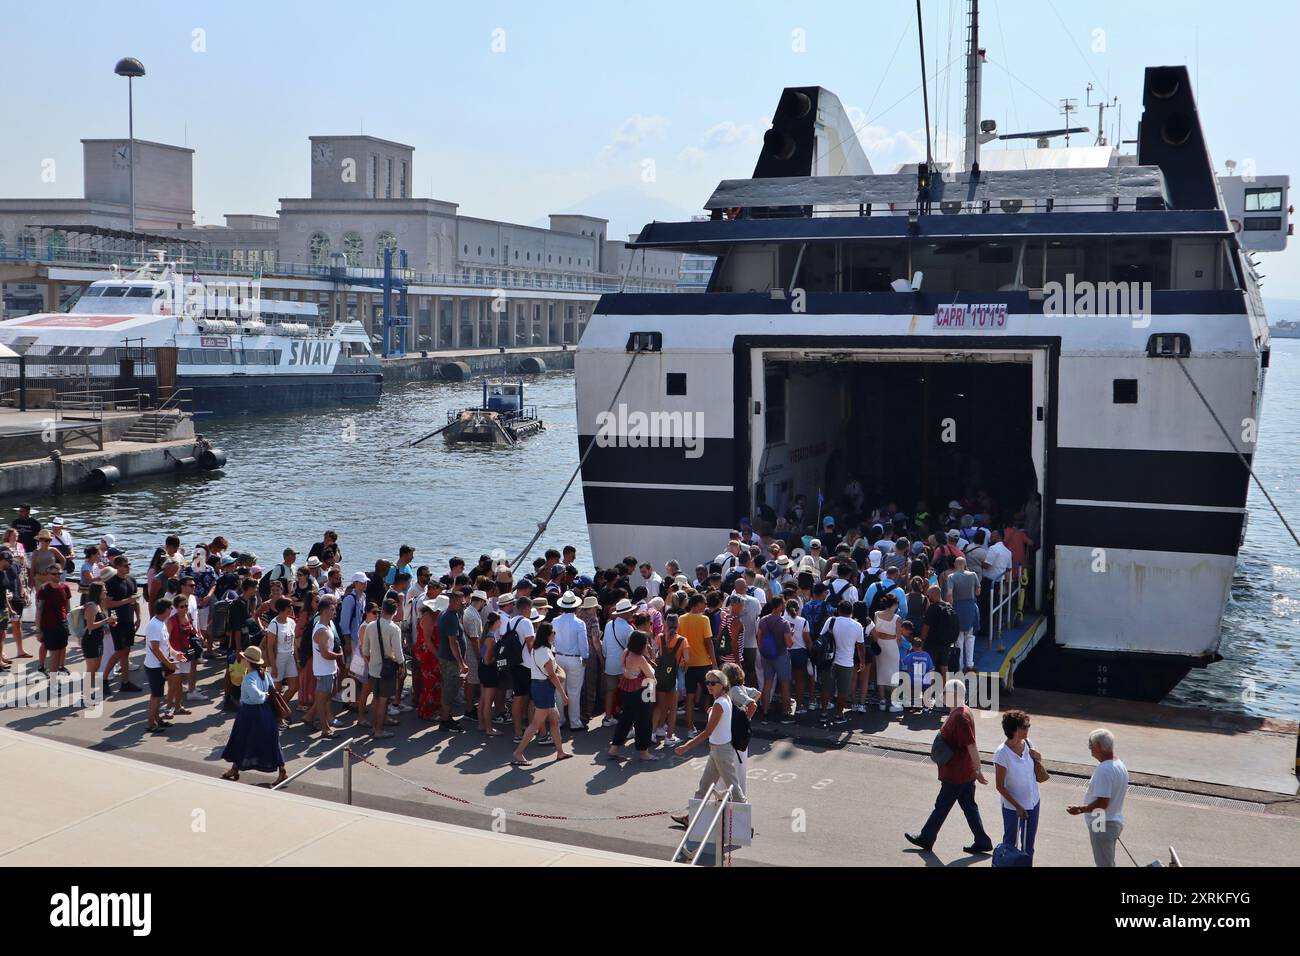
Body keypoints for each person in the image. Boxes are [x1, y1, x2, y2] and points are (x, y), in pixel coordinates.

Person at [905, 679, 994, 855]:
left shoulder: (961, 717)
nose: (942, 695)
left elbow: (971, 745)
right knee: (969, 806)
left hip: (957, 773)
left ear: (954, 695)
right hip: (963, 772)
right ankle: (983, 841)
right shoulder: (961, 711)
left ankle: (926, 837)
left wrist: (978, 770)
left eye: (945, 692)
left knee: (943, 805)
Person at [670, 669, 744, 826]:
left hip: (721, 752)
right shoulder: (724, 699)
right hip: (718, 751)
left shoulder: (719, 703)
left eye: (713, 683)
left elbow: (708, 732)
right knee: (704, 786)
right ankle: (691, 818)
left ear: (722, 684)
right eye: (707, 683)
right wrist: (712, 711)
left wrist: (686, 746)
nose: (709, 686)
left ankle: (745, 824)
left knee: (734, 789)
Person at [219, 645, 287, 785]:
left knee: (241, 740)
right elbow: (272, 689)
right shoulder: (264, 674)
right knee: (269, 741)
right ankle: (236, 768)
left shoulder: (249, 678)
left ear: (248, 662)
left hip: (250, 713)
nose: (242, 660)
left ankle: (235, 768)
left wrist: (264, 695)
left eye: (244, 658)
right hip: (265, 712)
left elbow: (257, 697)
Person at [510, 622, 572, 765]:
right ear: (548, 635)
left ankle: (560, 752)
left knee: (555, 720)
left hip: (541, 687)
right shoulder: (544, 651)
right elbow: (552, 675)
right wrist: (563, 694)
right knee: (536, 724)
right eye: (553, 632)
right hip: (543, 688)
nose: (555, 634)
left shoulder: (538, 649)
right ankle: (518, 753)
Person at [1068, 728, 1129, 867]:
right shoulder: (1119, 765)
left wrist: (1080, 809)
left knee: (1104, 864)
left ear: (1100, 746)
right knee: (1106, 861)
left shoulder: (1104, 770)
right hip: (1113, 819)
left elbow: (1102, 803)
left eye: (1091, 744)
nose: (1089, 747)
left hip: (1102, 821)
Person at [993, 709, 1042, 862]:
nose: (1028, 728)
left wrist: (1038, 756)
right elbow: (1000, 786)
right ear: (1015, 729)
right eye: (1025, 726)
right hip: (1012, 808)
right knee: (1010, 846)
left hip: (1033, 803)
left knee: (1029, 847)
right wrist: (1018, 806)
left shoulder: (1027, 743)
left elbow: (1036, 766)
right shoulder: (1002, 754)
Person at [606, 629, 659, 763]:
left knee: (626, 720)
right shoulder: (639, 658)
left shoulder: (626, 652)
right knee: (644, 721)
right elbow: (651, 677)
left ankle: (614, 749)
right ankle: (644, 752)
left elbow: (625, 670)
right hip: (642, 692)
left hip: (626, 690)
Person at [818, 601, 865, 725]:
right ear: (851, 611)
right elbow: (860, 646)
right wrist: (862, 662)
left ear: (838, 610)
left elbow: (822, 638)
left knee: (826, 688)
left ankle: (823, 713)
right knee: (843, 691)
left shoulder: (831, 621)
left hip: (829, 660)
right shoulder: (857, 626)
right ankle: (839, 714)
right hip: (847, 662)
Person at [103, 555, 143, 694]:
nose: (128, 567)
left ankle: (125, 682)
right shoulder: (111, 582)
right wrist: (127, 601)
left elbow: (135, 600)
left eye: (129, 564)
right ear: (117, 567)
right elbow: (107, 604)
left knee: (126, 651)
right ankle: (103, 678)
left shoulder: (131, 580)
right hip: (117, 621)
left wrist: (138, 617)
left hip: (129, 620)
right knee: (120, 651)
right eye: (125, 565)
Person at [365, 598, 403, 739]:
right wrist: (402, 666)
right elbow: (398, 653)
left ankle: (375, 727)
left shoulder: (370, 626)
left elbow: (365, 650)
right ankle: (379, 730)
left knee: (375, 699)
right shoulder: (394, 628)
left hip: (373, 668)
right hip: (387, 669)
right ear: (395, 611)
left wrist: (372, 661)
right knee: (383, 701)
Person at [551, 590, 589, 731]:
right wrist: (585, 657)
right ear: (575, 606)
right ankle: (575, 722)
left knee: (559, 691)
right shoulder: (579, 623)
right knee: (574, 692)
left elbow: (552, 641)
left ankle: (560, 720)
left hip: (559, 657)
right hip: (575, 660)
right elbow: (583, 644)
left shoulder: (555, 621)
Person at [308, 594, 343, 739]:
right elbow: (325, 654)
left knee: (326, 697)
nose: (335, 612)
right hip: (324, 670)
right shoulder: (322, 630)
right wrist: (338, 655)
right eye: (332, 610)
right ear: (325, 611)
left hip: (328, 669)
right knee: (322, 700)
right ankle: (325, 729)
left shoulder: (325, 626)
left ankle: (312, 718)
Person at [143, 598, 180, 734]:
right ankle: (150, 724)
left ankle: (157, 719)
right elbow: (156, 648)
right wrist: (168, 663)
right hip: (155, 667)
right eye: (170, 608)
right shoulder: (154, 626)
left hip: (159, 665)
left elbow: (166, 644)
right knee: (156, 695)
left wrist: (175, 654)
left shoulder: (161, 623)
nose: (172, 610)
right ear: (165, 610)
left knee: (159, 694)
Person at [651, 612, 687, 747]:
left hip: (660, 676)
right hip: (673, 677)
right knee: (672, 709)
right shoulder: (682, 640)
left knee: (659, 706)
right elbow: (687, 661)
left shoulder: (659, 638)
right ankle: (670, 737)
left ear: (665, 624)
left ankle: (653, 733)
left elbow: (654, 655)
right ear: (678, 625)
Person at [599, 598, 634, 728]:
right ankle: (626, 719)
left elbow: (605, 647)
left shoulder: (609, 625)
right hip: (623, 664)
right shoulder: (628, 628)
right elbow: (630, 650)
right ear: (625, 613)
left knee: (610, 691)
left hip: (610, 663)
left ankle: (607, 717)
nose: (631, 614)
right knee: (626, 692)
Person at [436, 589, 468, 732]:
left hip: (447, 658)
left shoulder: (448, 614)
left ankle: (447, 717)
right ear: (454, 602)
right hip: (451, 661)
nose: (464, 605)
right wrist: (461, 663)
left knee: (450, 688)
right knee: (449, 689)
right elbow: (453, 642)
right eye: (462, 603)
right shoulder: (450, 617)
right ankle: (444, 721)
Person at [264, 598, 298, 727]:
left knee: (294, 686)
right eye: (290, 607)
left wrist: (297, 660)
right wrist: (273, 666)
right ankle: (277, 716)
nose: (292, 609)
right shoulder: (274, 624)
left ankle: (280, 711)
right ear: (284, 609)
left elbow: (294, 642)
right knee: (276, 691)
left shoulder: (291, 622)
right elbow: (270, 647)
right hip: (278, 659)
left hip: (290, 657)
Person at [944, 556, 981, 671]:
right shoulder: (973, 575)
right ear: (965, 565)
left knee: (958, 638)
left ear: (955, 565)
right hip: (970, 607)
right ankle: (970, 664)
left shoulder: (951, 577)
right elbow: (978, 592)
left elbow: (949, 594)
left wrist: (948, 605)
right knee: (970, 636)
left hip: (957, 607)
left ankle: (959, 666)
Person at [77, 581, 115, 696]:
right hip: (90, 641)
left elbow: (99, 623)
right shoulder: (91, 606)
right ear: (98, 592)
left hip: (98, 639)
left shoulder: (99, 605)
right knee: (91, 669)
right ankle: (85, 694)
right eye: (104, 590)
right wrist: (106, 621)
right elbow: (90, 626)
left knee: (96, 666)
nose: (106, 591)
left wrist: (109, 624)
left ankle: (88, 692)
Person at [164, 593, 198, 717]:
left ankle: (178, 706)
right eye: (182, 606)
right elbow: (166, 640)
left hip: (186, 653)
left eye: (186, 606)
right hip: (174, 655)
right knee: (175, 683)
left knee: (180, 682)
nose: (185, 608)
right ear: (176, 607)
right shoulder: (172, 621)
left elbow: (192, 631)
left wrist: (197, 634)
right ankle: (168, 708)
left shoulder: (188, 616)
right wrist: (172, 653)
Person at [871, 593, 904, 713]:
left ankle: (882, 701)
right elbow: (899, 638)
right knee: (893, 673)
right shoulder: (897, 618)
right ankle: (894, 703)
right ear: (894, 604)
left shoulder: (876, 615)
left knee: (881, 672)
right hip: (892, 645)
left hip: (880, 644)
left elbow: (874, 630)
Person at [37, 570, 72, 677]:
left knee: (63, 646)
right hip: (48, 624)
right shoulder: (44, 589)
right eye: (54, 573)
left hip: (62, 623)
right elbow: (39, 609)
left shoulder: (65, 587)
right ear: (48, 575)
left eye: (59, 574)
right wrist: (38, 629)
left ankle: (61, 667)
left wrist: (69, 622)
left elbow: (67, 606)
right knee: (49, 648)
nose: (57, 575)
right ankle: (42, 667)